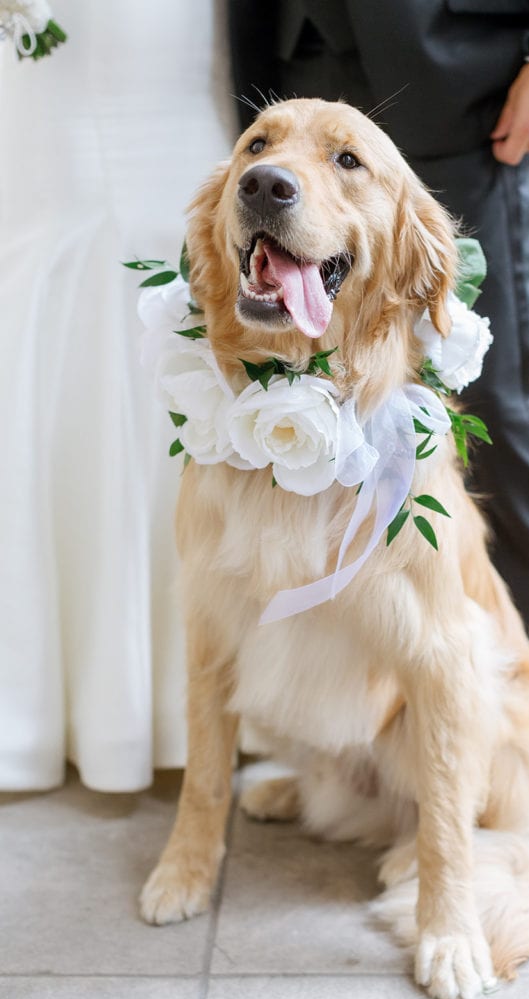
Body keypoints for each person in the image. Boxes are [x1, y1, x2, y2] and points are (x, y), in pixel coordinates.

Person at [226, 0, 529, 846]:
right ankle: (349, 733)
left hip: (458, 78)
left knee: (491, 397)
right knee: (280, 405)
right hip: (291, 62)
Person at [0, 0, 236, 791]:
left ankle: (189, 698)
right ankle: (64, 706)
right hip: (50, 64)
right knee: (70, 264)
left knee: (167, 252)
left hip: (176, 50)